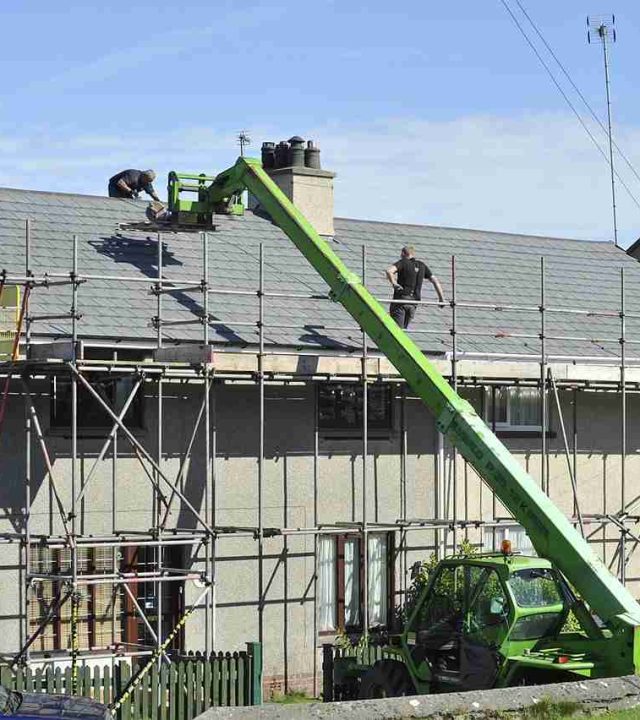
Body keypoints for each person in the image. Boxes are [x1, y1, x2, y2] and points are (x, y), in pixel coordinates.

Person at [386, 246, 445, 329]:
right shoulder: (422, 265)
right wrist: (441, 299)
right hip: (413, 303)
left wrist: (394, 283)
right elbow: (435, 280)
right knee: (403, 331)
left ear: (403, 253)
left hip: (401, 300)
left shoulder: (403, 262)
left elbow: (389, 271)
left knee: (397, 331)